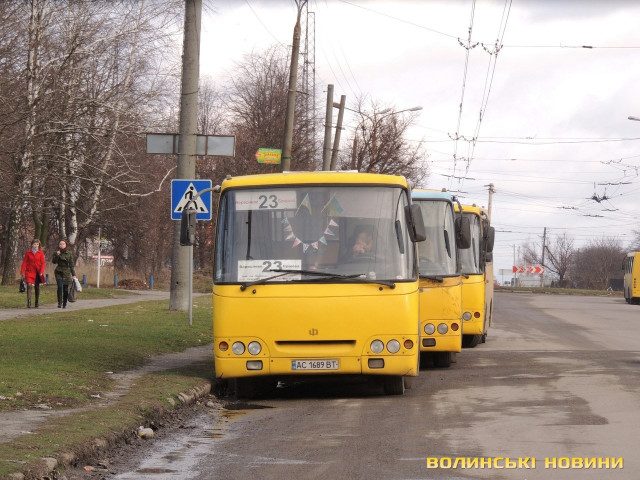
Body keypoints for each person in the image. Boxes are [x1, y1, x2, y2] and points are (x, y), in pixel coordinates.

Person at [20, 239, 46, 308]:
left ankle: (36, 302)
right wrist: (22, 271)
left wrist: (41, 271)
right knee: (29, 285)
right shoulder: (28, 252)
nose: (36, 245)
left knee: (37, 287)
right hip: (29, 271)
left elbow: (43, 263)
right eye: (35, 244)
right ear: (32, 245)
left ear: (39, 245)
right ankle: (29, 302)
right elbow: (25, 262)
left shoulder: (41, 253)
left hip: (37, 272)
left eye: (37, 244)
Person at [52, 240, 77, 309]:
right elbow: (54, 262)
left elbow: (71, 264)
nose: (62, 245)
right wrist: (57, 255)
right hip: (59, 271)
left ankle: (64, 303)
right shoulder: (56, 253)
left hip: (66, 272)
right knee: (60, 286)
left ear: (66, 245)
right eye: (60, 244)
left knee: (65, 289)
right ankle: (59, 302)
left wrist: (73, 274)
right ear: (59, 245)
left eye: (63, 244)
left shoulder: (69, 253)